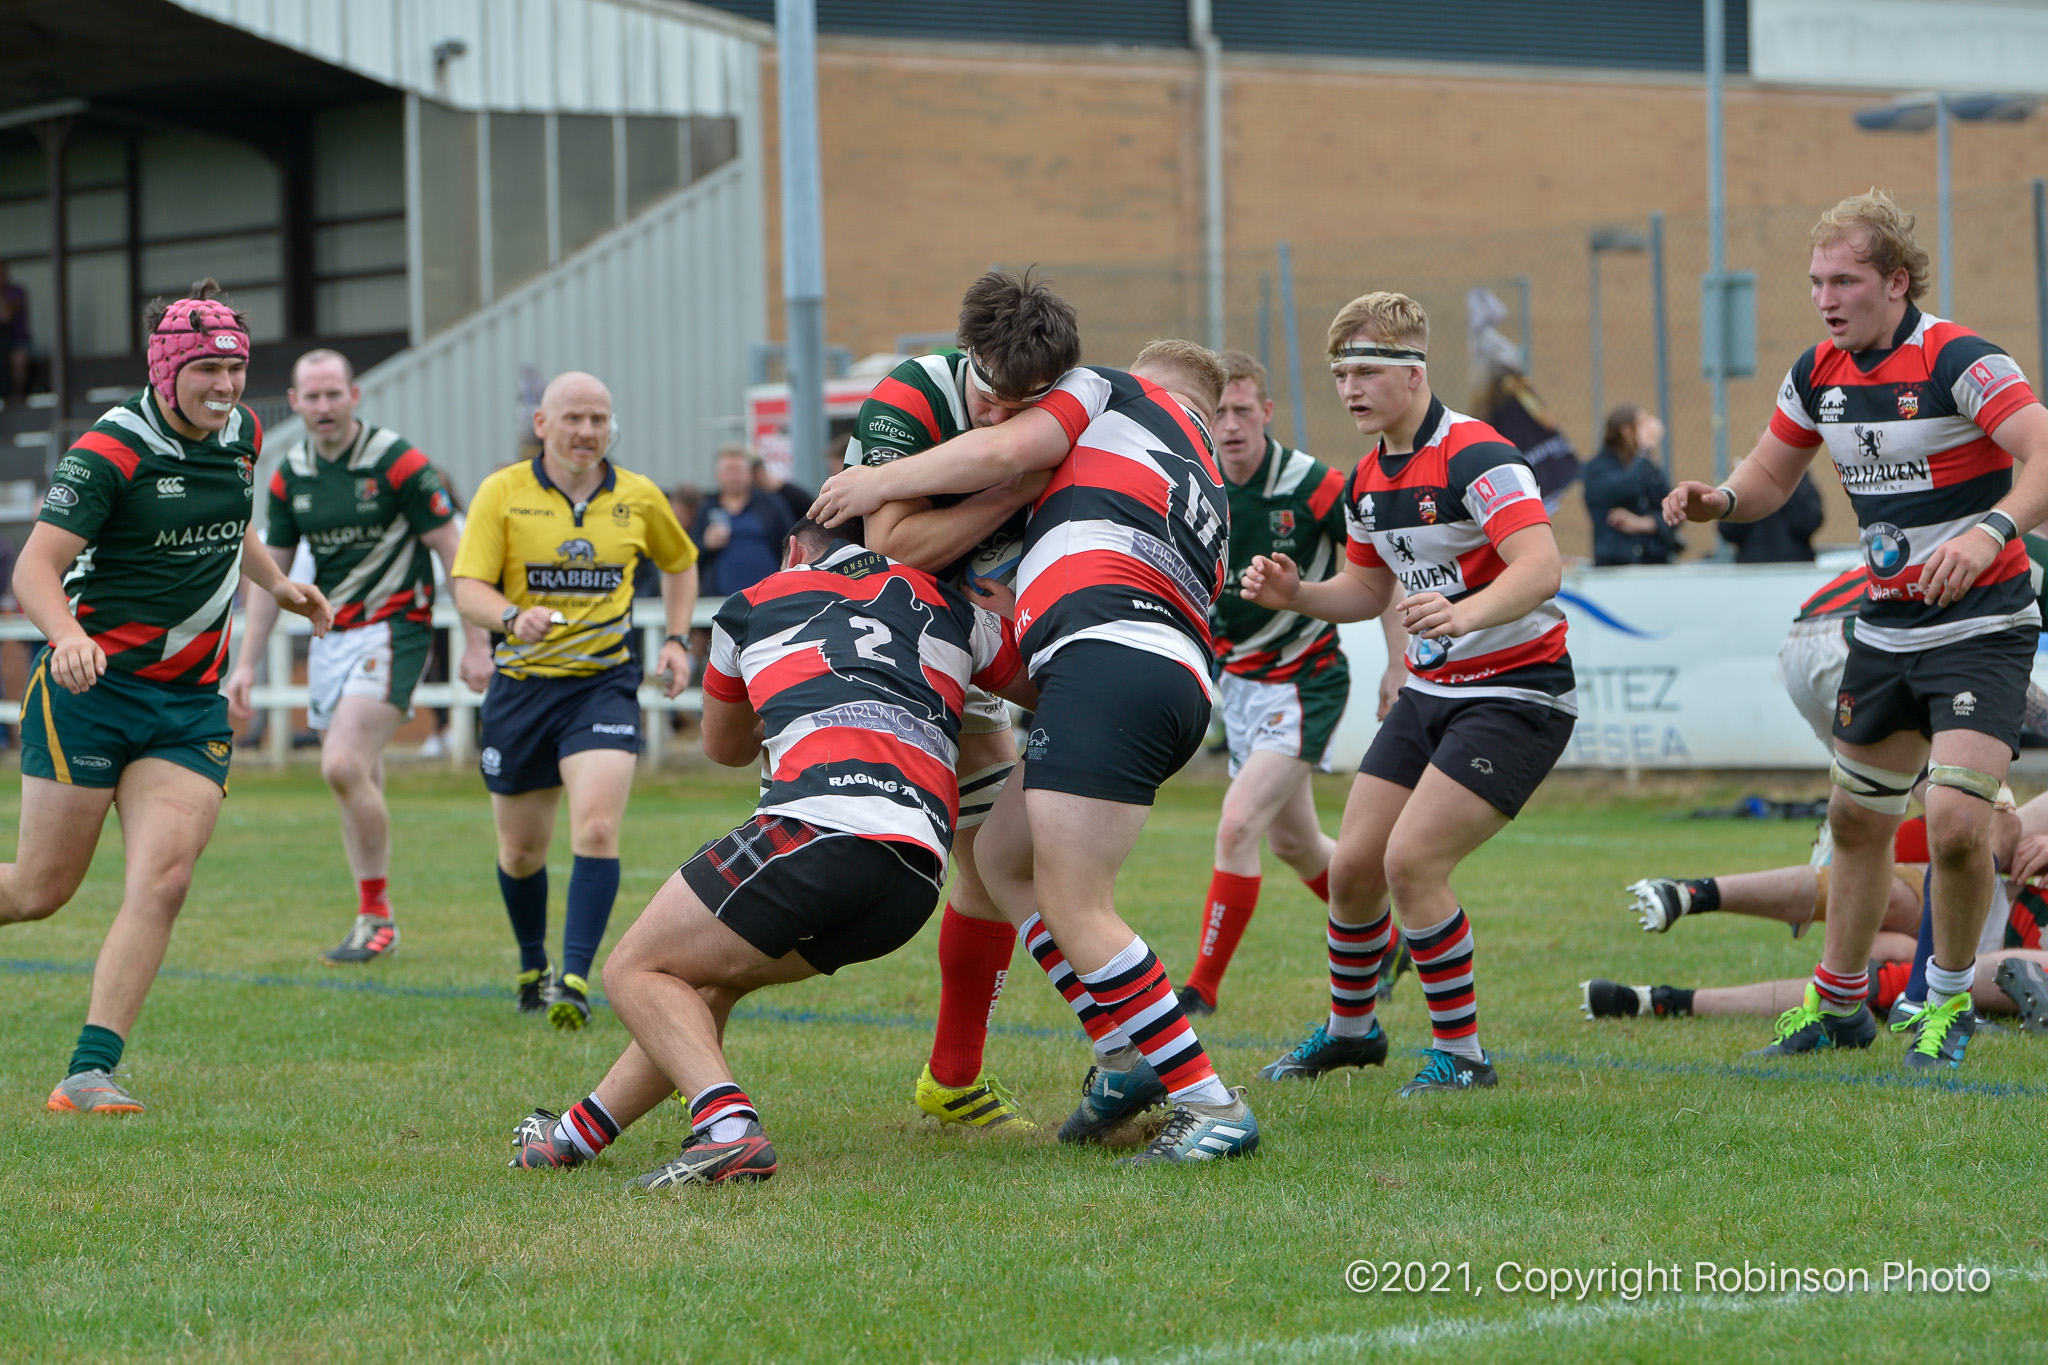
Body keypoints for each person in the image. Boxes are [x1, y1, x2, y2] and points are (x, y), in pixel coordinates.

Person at [814, 340, 1262, 1164]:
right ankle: (1123, 1055)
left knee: (1077, 901)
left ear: (1148, 382)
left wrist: (874, 481)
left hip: (1109, 659)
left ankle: (1210, 1102)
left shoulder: (1113, 393)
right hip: (1161, 677)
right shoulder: (1208, 484)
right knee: (1002, 854)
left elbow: (1009, 449)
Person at [507, 519, 1029, 1184]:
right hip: (914, 873)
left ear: (794, 549)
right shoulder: (951, 605)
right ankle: (575, 1136)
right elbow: (1041, 683)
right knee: (707, 982)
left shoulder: (757, 598)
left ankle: (729, 1129)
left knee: (632, 969)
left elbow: (723, 748)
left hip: (819, 825)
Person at [1664, 189, 2048, 1070]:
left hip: (1981, 624)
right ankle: (1838, 1005)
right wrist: (1718, 499)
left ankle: (1945, 1003)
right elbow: (1768, 473)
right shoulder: (1818, 374)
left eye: (1845, 280)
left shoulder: (1958, 358)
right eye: (1816, 282)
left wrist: (1994, 528)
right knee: (1856, 818)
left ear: (1897, 282)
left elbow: (2043, 450)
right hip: (1884, 627)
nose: (1827, 298)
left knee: (1954, 823)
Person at [3, 281, 330, 1113]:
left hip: (187, 704)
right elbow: (33, 569)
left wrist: (277, 583)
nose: (225, 387)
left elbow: (234, 521)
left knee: (164, 878)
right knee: (40, 891)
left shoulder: (244, 433)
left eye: (236, 368)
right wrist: (68, 634)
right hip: (91, 693)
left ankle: (87, 1072)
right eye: (208, 370)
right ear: (166, 367)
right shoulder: (107, 452)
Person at [1239, 291, 1575, 1097]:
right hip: (1432, 691)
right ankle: (1353, 1033)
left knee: (1411, 862)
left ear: (1414, 372)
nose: (1349, 388)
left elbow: (1541, 567)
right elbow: (1363, 587)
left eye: (1364, 370)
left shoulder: (1476, 457)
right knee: (1353, 867)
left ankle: (1463, 1054)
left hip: (1517, 694)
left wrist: (1464, 612)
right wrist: (1298, 595)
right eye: (1338, 373)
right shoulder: (1368, 475)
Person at [843, 268, 1080, 1131]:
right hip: (864, 639)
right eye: (989, 396)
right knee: (814, 864)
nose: (999, 421)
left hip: (972, 644)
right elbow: (894, 545)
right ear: (966, 357)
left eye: (1024, 409)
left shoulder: (1074, 402)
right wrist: (1013, 486)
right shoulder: (908, 396)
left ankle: (954, 1075)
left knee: (1004, 860)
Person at [450, 371, 699, 1029]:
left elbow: (680, 563)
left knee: (595, 826)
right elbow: (467, 585)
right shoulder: (501, 492)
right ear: (542, 424)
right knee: (522, 850)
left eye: (598, 419)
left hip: (602, 685)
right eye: (573, 418)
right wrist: (509, 615)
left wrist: (676, 640)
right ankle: (532, 964)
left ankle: (576, 979)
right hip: (522, 690)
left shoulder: (640, 497)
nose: (587, 431)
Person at [224, 350, 476, 963]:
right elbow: (272, 579)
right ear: (295, 401)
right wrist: (247, 664)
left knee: (340, 764)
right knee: (359, 772)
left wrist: (478, 642)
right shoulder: (289, 475)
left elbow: (455, 551)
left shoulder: (398, 462)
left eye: (333, 394)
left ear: (354, 396)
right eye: (311, 397)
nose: (323, 407)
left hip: (396, 629)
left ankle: (376, 911)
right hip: (331, 636)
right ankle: (373, 921)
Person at [1176, 348, 1392, 1017]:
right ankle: (1386, 940)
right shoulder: (1195, 482)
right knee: (1294, 841)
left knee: (1236, 823)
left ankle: (1201, 991)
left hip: (1306, 683)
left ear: (1267, 412)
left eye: (1243, 409)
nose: (1231, 424)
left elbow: (1385, 571)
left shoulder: (1315, 485)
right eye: (1218, 413)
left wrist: (1400, 664)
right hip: (1239, 686)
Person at [1583, 808, 2048, 1032]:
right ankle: (1691, 893)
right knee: (1905, 891)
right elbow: (1993, 821)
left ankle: (1664, 1001)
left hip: (2005, 954)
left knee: (1886, 974)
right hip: (1991, 895)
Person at [1582, 406, 1676, 566]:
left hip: (1655, 561)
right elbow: (1626, 487)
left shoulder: (1648, 468)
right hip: (1615, 564)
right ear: (1626, 431)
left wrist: (1644, 523)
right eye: (1642, 425)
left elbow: (1674, 509)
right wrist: (1645, 450)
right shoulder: (1597, 468)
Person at [693, 445, 791, 597]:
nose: (733, 476)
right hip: (720, 602)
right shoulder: (707, 509)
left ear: (749, 474)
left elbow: (791, 543)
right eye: (728, 470)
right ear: (717, 474)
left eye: (738, 470)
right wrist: (706, 544)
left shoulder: (770, 505)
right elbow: (690, 554)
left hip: (769, 598)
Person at [1719, 472, 1825, 563]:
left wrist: (1795, 482)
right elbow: (1728, 531)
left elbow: (1810, 522)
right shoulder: (1748, 480)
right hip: (1752, 570)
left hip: (1795, 568)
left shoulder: (1801, 483)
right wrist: (1744, 491)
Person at [0, 261, 28, 401]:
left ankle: (16, 397)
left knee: (18, 359)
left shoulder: (16, 291)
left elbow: (6, 316)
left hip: (17, 341)